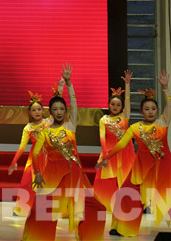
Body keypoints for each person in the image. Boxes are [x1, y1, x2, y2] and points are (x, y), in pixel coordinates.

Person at [98, 70, 171, 236]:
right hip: (140, 171)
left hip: (164, 169)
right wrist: (106, 157)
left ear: (157, 111)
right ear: (141, 111)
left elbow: (170, 106)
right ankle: (122, 228)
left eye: (153, 109)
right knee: (126, 194)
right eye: (146, 109)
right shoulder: (135, 128)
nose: (150, 111)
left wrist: (165, 88)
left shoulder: (162, 123)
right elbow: (121, 145)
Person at [22, 64, 105, 241]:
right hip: (51, 175)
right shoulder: (44, 131)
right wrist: (37, 173)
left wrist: (69, 83)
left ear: (66, 111)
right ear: (50, 112)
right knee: (40, 211)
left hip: (74, 175)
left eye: (62, 109)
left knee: (95, 208)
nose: (59, 112)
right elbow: (35, 154)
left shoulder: (70, 126)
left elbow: (74, 103)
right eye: (55, 109)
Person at [8, 83, 64, 217]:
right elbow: (22, 147)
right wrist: (14, 162)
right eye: (34, 110)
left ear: (43, 111)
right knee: (27, 181)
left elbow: (57, 106)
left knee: (50, 183)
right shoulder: (28, 128)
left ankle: (51, 209)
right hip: (34, 158)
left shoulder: (48, 122)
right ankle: (23, 209)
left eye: (39, 109)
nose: (37, 112)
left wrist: (60, 89)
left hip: (49, 156)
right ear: (30, 113)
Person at [93, 70, 135, 235]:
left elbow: (128, 101)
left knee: (124, 189)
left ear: (122, 107)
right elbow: (102, 138)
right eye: (112, 104)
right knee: (111, 190)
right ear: (108, 105)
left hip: (126, 157)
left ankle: (122, 223)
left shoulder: (125, 117)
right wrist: (106, 156)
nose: (115, 107)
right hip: (109, 156)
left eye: (118, 105)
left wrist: (127, 84)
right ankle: (111, 221)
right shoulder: (104, 120)